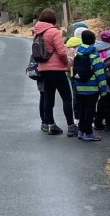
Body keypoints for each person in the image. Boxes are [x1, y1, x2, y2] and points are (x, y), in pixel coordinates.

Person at [31, 8, 77, 136]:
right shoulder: (54, 32)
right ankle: (71, 126)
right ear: (53, 19)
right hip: (57, 69)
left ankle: (50, 125)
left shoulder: (37, 32)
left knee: (48, 98)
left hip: (43, 69)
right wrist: (66, 63)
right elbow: (61, 52)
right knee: (66, 97)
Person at [71, 28, 107, 141]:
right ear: (93, 41)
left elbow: (74, 71)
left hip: (79, 86)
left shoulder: (78, 53)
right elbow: (100, 74)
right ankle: (88, 133)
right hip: (92, 88)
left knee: (82, 109)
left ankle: (81, 131)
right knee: (90, 111)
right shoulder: (94, 56)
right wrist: (103, 89)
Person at [95, 28, 110, 131]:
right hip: (107, 78)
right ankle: (108, 123)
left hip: (96, 77)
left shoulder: (94, 48)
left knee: (102, 100)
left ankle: (98, 121)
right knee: (108, 101)